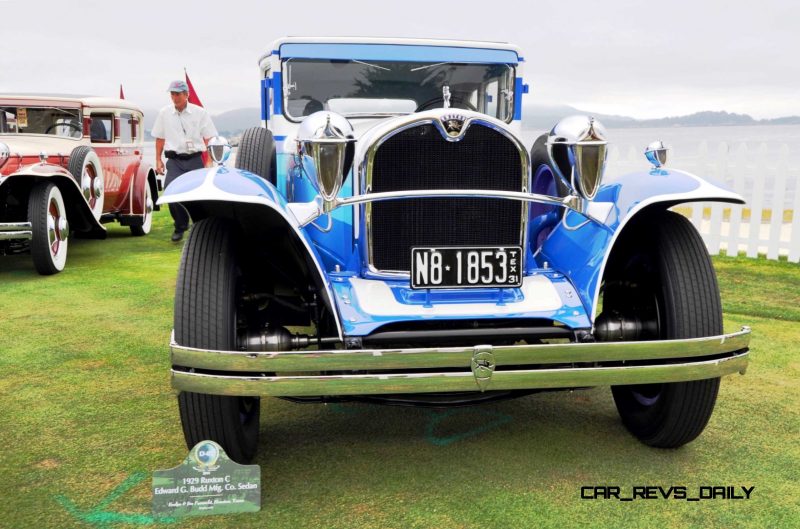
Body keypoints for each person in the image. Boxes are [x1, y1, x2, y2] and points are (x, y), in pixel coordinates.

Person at [151, 80, 218, 242]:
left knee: (198, 195)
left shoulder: (200, 113)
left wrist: (209, 160)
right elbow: (160, 138)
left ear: (186, 95)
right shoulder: (164, 113)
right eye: (172, 94)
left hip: (195, 159)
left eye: (178, 94)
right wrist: (158, 160)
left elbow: (210, 138)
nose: (174, 97)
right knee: (170, 191)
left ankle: (201, 227)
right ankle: (181, 226)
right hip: (174, 160)